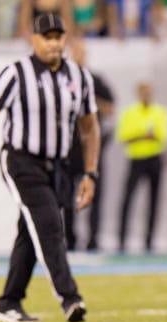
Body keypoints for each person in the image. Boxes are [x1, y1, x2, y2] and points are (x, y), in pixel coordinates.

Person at [0, 12, 100, 322]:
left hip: (57, 165)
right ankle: (70, 298)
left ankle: (8, 302)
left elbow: (89, 128)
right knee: (49, 223)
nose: (53, 43)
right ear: (33, 40)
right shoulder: (15, 73)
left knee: (31, 229)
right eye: (46, 37)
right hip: (21, 160)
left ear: (66, 39)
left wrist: (90, 173)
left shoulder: (79, 77)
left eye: (58, 36)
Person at [65, 39, 116, 251]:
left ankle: (93, 239)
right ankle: (70, 239)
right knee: (66, 196)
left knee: (95, 193)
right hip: (68, 148)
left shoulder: (95, 80)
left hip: (91, 149)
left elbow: (110, 108)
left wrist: (90, 102)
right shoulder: (62, 79)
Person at [117, 81, 167, 252]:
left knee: (153, 201)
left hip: (154, 159)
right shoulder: (129, 113)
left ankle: (149, 242)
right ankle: (121, 241)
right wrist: (145, 135)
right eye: (143, 92)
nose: (146, 95)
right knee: (127, 200)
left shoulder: (160, 112)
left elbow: (161, 136)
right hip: (136, 160)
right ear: (138, 93)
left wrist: (139, 135)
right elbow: (124, 137)